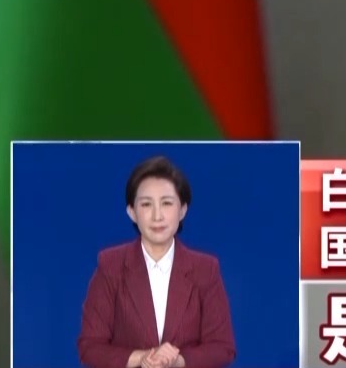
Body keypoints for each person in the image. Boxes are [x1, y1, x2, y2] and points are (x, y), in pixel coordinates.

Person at [77, 156, 235, 368]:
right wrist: (143, 357)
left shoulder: (205, 269)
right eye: (146, 204)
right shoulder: (110, 265)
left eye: (167, 203)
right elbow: (90, 347)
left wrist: (177, 360)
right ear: (132, 212)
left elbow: (222, 347)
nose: (157, 216)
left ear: (182, 210)